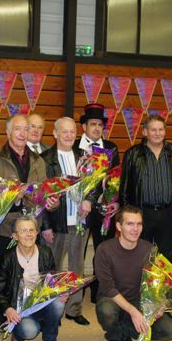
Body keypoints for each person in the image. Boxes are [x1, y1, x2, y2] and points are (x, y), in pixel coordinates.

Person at [95, 205, 172, 341]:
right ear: (119, 226)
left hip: (139, 301)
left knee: (169, 332)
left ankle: (122, 329)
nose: (135, 229)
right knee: (106, 311)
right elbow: (108, 288)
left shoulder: (150, 249)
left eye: (139, 224)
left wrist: (158, 304)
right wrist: (133, 312)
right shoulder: (104, 250)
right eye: (130, 224)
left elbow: (156, 283)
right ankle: (114, 337)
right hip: (112, 299)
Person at [0, 115, 58, 272]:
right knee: (6, 275)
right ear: (8, 132)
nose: (22, 133)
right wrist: (13, 198)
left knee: (31, 274)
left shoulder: (39, 161)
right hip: (7, 229)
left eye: (26, 129)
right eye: (17, 129)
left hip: (32, 229)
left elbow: (44, 194)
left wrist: (52, 204)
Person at [41, 117, 92, 326]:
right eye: (64, 132)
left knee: (76, 267)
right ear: (55, 134)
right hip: (55, 222)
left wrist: (89, 200)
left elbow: (93, 185)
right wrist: (45, 226)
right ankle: (51, 309)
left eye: (72, 132)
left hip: (79, 221)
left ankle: (73, 308)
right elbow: (39, 196)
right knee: (51, 269)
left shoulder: (84, 157)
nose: (69, 136)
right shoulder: (44, 160)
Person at [0, 215, 64, 341]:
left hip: (40, 302)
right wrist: (7, 309)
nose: (29, 234)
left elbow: (52, 280)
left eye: (32, 230)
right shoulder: (7, 258)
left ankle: (50, 339)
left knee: (58, 304)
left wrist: (60, 292)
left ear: (37, 233)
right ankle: (18, 334)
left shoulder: (46, 253)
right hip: (19, 309)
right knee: (30, 331)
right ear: (15, 236)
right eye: (23, 231)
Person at [76, 103, 120, 303]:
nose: (96, 128)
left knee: (103, 251)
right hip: (81, 208)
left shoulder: (111, 147)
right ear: (84, 126)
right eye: (92, 124)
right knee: (79, 250)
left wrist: (115, 201)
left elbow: (117, 177)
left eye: (100, 125)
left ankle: (99, 292)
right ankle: (76, 295)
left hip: (104, 208)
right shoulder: (75, 146)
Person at [119, 114, 172, 263]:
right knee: (140, 255)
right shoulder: (132, 154)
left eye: (161, 129)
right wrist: (126, 214)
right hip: (142, 213)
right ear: (145, 132)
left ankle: (164, 286)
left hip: (168, 213)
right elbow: (124, 186)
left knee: (166, 258)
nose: (158, 133)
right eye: (153, 130)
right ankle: (139, 286)